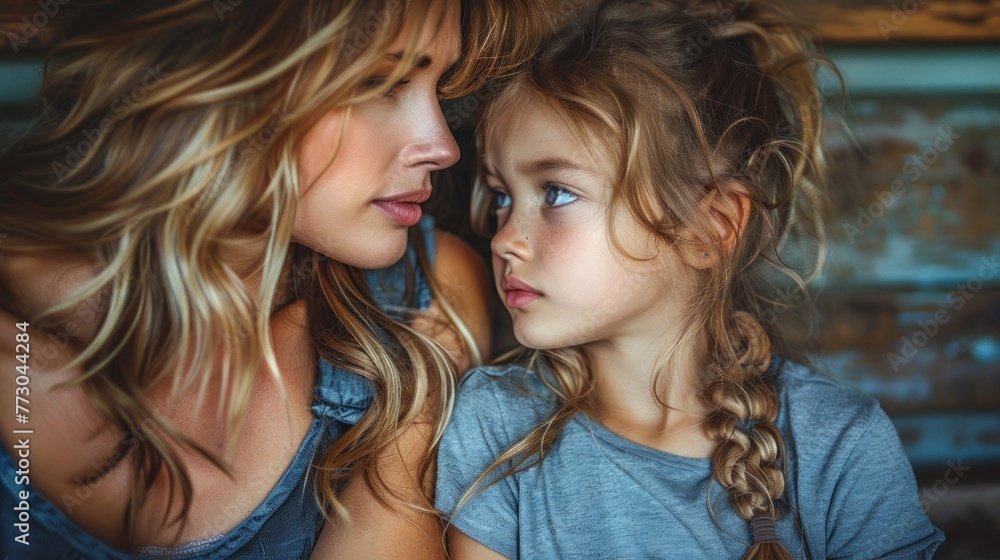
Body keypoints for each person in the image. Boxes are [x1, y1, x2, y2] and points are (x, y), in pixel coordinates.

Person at [0, 0, 538, 557]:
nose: (444, 148)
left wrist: (414, 406)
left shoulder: (425, 292)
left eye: (437, 88)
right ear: (207, 77)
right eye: (379, 82)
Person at [435, 1, 945, 558]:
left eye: (557, 192)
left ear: (709, 229)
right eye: (502, 197)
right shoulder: (496, 424)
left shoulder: (841, 444)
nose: (504, 238)